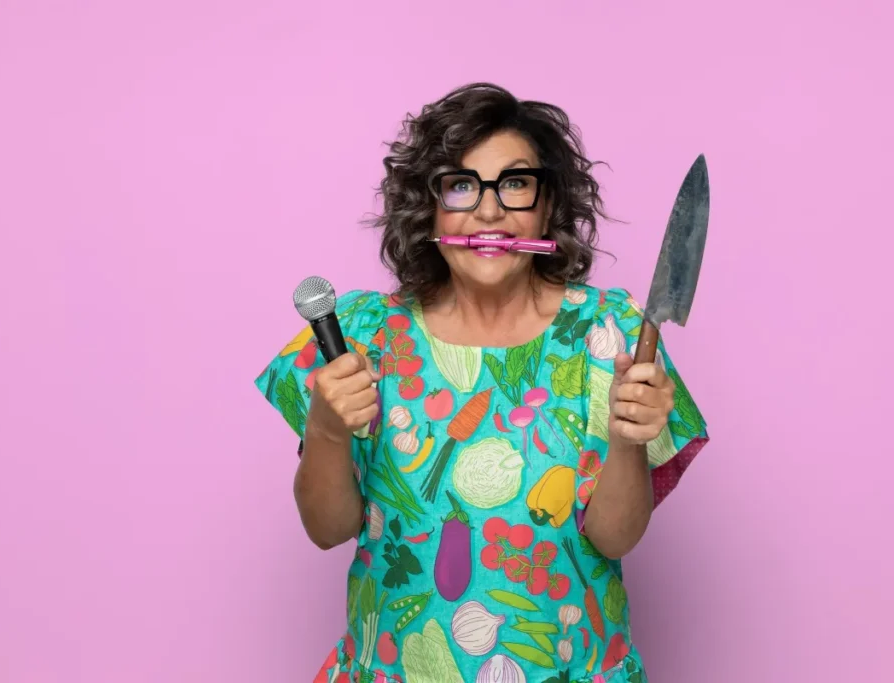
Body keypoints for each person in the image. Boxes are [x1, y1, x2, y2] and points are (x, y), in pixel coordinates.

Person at [255, 83, 709, 683]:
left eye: (515, 184)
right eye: (462, 185)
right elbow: (327, 530)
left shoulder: (614, 335)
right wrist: (327, 430)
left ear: (547, 207)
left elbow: (615, 538)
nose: (489, 211)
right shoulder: (362, 333)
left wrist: (627, 438)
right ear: (431, 207)